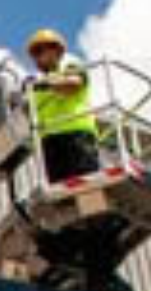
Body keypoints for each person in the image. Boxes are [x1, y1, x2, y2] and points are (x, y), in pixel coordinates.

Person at [24, 27, 103, 185]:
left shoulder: (70, 67)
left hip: (76, 138)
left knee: (86, 187)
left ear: (56, 51)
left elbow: (72, 85)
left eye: (41, 51)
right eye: (35, 54)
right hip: (50, 144)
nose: (37, 58)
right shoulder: (36, 86)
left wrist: (45, 83)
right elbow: (29, 114)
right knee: (62, 194)